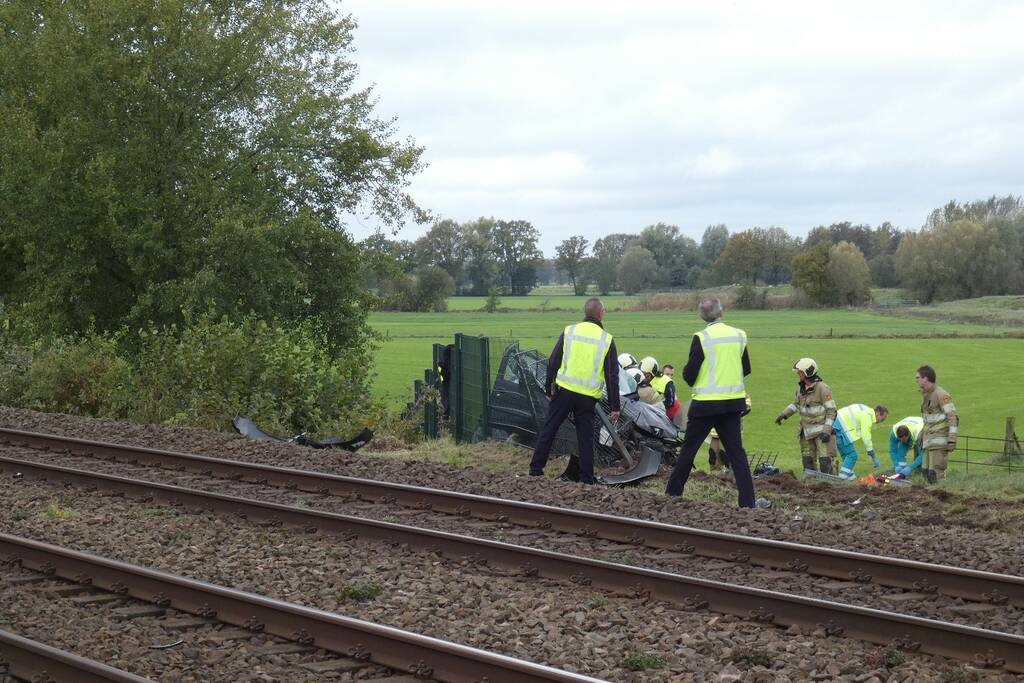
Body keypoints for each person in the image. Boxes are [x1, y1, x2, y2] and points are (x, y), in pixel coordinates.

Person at [665, 297, 757, 508]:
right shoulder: (739, 335)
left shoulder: (701, 337)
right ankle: (748, 503)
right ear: (721, 312)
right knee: (737, 454)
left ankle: (672, 495)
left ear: (701, 316)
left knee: (688, 450)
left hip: (705, 404)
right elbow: (746, 368)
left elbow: (689, 374)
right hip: (732, 404)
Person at [528, 298, 621, 484]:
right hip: (587, 398)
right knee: (585, 438)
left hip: (564, 392)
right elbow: (612, 376)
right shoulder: (607, 340)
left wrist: (549, 387)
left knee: (550, 428)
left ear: (585, 313)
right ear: (601, 313)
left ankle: (536, 470)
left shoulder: (569, 331)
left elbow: (553, 362)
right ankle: (586, 479)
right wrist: (615, 407)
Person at [775, 358, 839, 475]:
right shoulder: (800, 388)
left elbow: (832, 411)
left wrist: (827, 431)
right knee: (808, 463)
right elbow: (796, 405)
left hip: (822, 433)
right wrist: (784, 414)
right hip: (806, 433)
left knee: (825, 464)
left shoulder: (823, 388)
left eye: (800, 372)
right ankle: (810, 487)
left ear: (807, 373)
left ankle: (831, 488)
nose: (798, 374)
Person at [916, 365, 958, 483]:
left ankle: (941, 498)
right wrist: (922, 434)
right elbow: (928, 419)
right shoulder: (925, 395)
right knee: (926, 473)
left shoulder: (941, 395)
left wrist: (952, 439)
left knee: (936, 475)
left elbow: (953, 417)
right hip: (928, 442)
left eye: (918, 377)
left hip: (939, 442)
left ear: (926, 378)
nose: (917, 381)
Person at [835, 404, 889, 480]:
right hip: (839, 427)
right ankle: (840, 479)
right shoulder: (867, 415)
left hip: (836, 425)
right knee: (852, 455)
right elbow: (866, 435)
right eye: (882, 419)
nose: (881, 421)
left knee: (847, 456)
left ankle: (852, 480)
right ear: (878, 413)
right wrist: (872, 455)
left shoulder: (866, 410)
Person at [707, 394, 751, 474]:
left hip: (729, 427)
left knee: (723, 454)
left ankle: (730, 473)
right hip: (716, 426)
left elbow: (747, 406)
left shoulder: (736, 388)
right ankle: (717, 475)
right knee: (713, 455)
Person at [880, 416, 924, 481]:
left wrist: (910, 467)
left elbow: (923, 454)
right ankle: (901, 474)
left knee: (919, 457)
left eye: (905, 439)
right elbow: (893, 451)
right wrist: (896, 465)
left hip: (920, 426)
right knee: (900, 452)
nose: (903, 441)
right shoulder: (893, 433)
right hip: (908, 423)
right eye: (901, 439)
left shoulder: (918, 434)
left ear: (908, 435)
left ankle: (918, 472)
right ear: (897, 437)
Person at [647, 358, 684, 427]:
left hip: (671, 418)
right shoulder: (655, 383)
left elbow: (670, 403)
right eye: (667, 374)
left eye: (671, 375)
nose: (670, 377)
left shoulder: (670, 386)